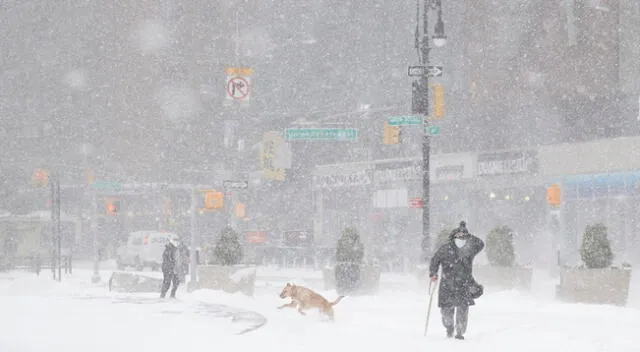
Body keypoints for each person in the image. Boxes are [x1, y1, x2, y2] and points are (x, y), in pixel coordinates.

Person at [429, 221, 484, 340]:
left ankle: (460, 332)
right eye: (458, 234)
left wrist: (467, 234)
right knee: (446, 311)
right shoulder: (445, 248)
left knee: (462, 310)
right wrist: (433, 273)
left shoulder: (469, 248)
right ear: (453, 235)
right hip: (447, 284)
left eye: (463, 235)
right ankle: (449, 327)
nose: (461, 237)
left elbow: (480, 243)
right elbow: (435, 260)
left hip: (464, 284)